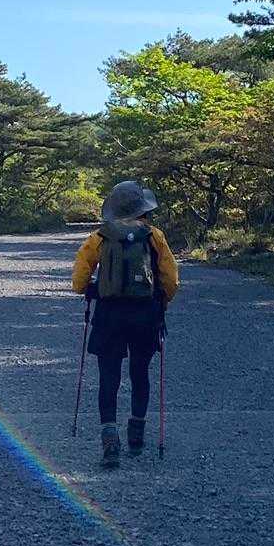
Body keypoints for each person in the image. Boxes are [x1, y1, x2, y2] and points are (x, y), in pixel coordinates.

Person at [71, 180, 179, 466]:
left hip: (109, 315)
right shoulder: (154, 236)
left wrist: (90, 289)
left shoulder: (99, 237)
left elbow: (79, 280)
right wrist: (161, 301)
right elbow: (171, 279)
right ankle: (136, 436)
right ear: (143, 210)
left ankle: (110, 442)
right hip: (145, 314)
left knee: (109, 377)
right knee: (140, 373)